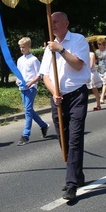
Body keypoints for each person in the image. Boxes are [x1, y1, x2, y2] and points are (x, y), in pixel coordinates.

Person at [39, 12, 91, 202]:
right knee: (64, 138)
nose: (52, 25)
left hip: (77, 95)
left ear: (66, 23)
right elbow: (45, 75)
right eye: (50, 22)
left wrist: (60, 50)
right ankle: (77, 175)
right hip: (59, 99)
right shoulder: (48, 48)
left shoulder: (78, 40)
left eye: (56, 22)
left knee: (75, 139)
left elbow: (77, 65)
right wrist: (54, 93)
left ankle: (71, 185)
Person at [15, 37, 49, 146]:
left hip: (31, 88)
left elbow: (40, 74)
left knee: (28, 111)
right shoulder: (20, 60)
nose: (21, 49)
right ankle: (43, 125)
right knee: (28, 110)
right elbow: (18, 73)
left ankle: (26, 135)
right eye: (20, 47)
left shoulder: (33, 60)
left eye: (23, 47)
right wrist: (17, 80)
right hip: (22, 88)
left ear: (29, 46)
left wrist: (31, 83)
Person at [87, 43, 103, 111]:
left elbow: (91, 65)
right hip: (85, 73)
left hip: (91, 73)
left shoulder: (91, 54)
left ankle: (98, 104)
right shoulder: (83, 53)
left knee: (94, 90)